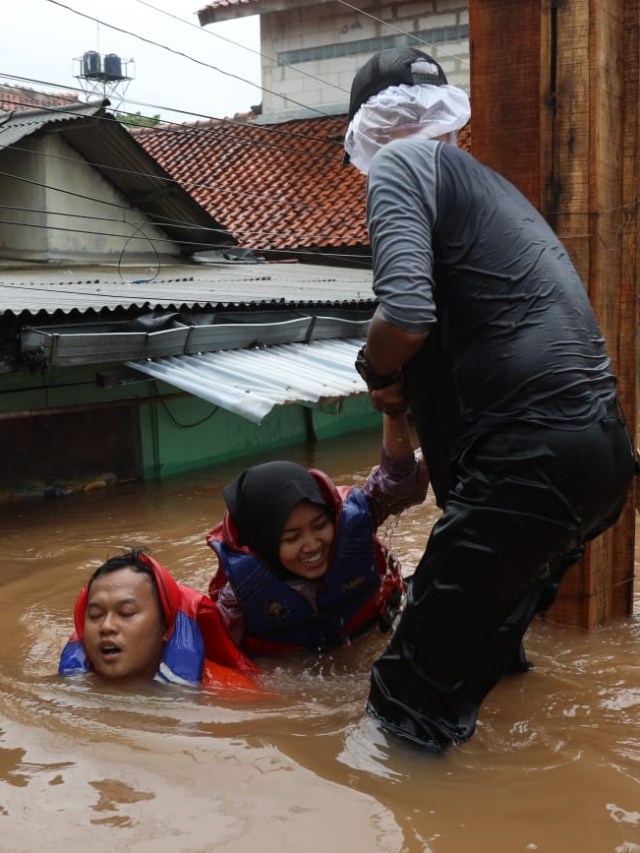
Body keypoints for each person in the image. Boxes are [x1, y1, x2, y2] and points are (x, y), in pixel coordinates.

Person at [344, 46, 638, 752]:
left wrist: (370, 363)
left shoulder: (399, 166)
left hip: (527, 462)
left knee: (405, 701)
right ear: (448, 120)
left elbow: (406, 316)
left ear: (368, 128)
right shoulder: (490, 190)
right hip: (599, 459)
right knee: (489, 663)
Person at [206, 412, 428, 656]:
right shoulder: (238, 598)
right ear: (263, 544)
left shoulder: (351, 524)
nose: (312, 545)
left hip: (374, 632)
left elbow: (399, 483)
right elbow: (215, 659)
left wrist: (393, 411)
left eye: (320, 525)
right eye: (292, 538)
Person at [59, 548, 260, 690]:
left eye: (126, 612)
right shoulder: (70, 686)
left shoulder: (232, 691)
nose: (106, 626)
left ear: (166, 626)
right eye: (95, 615)